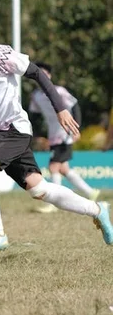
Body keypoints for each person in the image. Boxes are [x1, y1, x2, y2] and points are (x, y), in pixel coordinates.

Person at [0, 6, 113, 253]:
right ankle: (99, 210)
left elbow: (37, 73)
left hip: (14, 127)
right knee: (39, 188)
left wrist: (60, 109)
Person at [28, 62, 99, 213]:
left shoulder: (59, 91)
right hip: (53, 134)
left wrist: (76, 129)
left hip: (65, 133)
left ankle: (54, 203)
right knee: (64, 168)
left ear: (50, 76)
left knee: (54, 166)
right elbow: (33, 117)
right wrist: (37, 135)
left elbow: (75, 106)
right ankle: (91, 192)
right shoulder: (36, 97)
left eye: (44, 74)